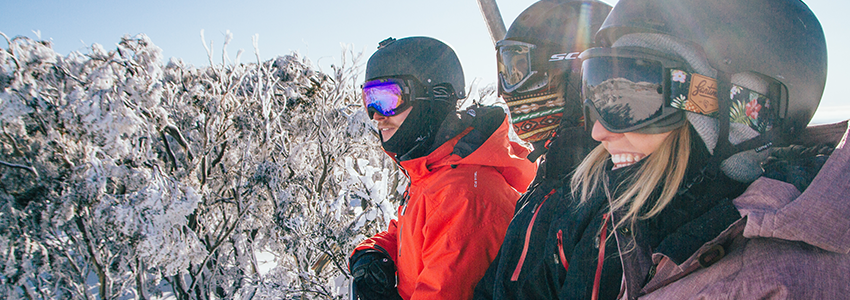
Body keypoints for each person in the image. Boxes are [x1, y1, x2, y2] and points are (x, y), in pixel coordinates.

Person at [535, 0, 850, 299]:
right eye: (598, 87)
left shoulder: (783, 284)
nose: (598, 131)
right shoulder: (645, 230)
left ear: (744, 117)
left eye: (634, 96)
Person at [348, 36, 537, 300]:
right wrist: (376, 252)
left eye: (387, 99)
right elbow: (414, 232)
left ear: (433, 96)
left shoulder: (464, 196)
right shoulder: (433, 171)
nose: (376, 115)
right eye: (369, 99)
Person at [472, 1, 612, 299]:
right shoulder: (544, 184)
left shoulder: (600, 202)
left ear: (579, 80)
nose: (507, 93)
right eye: (507, 71)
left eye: (520, 70)